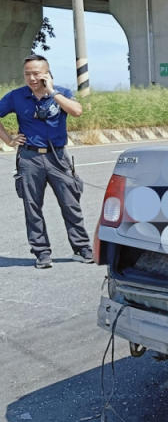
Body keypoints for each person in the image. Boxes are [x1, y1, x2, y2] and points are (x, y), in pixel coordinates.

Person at [0, 55, 94, 268]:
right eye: (27, 74)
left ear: (47, 72)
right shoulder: (16, 96)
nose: (32, 78)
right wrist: (8, 139)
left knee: (71, 204)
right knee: (32, 207)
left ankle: (81, 248)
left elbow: (77, 111)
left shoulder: (61, 93)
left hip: (58, 157)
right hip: (29, 158)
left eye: (36, 73)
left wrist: (52, 91)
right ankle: (41, 252)